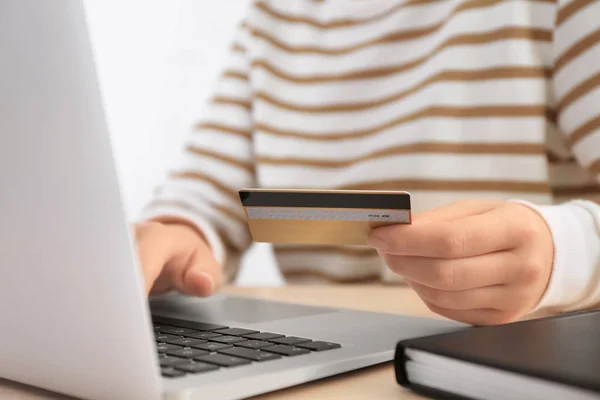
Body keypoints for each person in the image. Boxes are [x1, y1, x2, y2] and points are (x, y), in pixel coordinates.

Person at [134, 0, 600, 326]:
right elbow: (207, 196)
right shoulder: (272, 19)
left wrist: (565, 256)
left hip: (519, 354)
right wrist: (179, 233)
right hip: (326, 360)